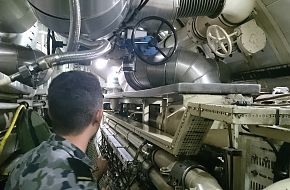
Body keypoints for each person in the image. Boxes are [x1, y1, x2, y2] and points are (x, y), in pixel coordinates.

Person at [5, 71, 107, 190]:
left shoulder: (27, 158)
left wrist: (95, 175)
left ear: (50, 113)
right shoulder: (79, 184)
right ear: (98, 116)